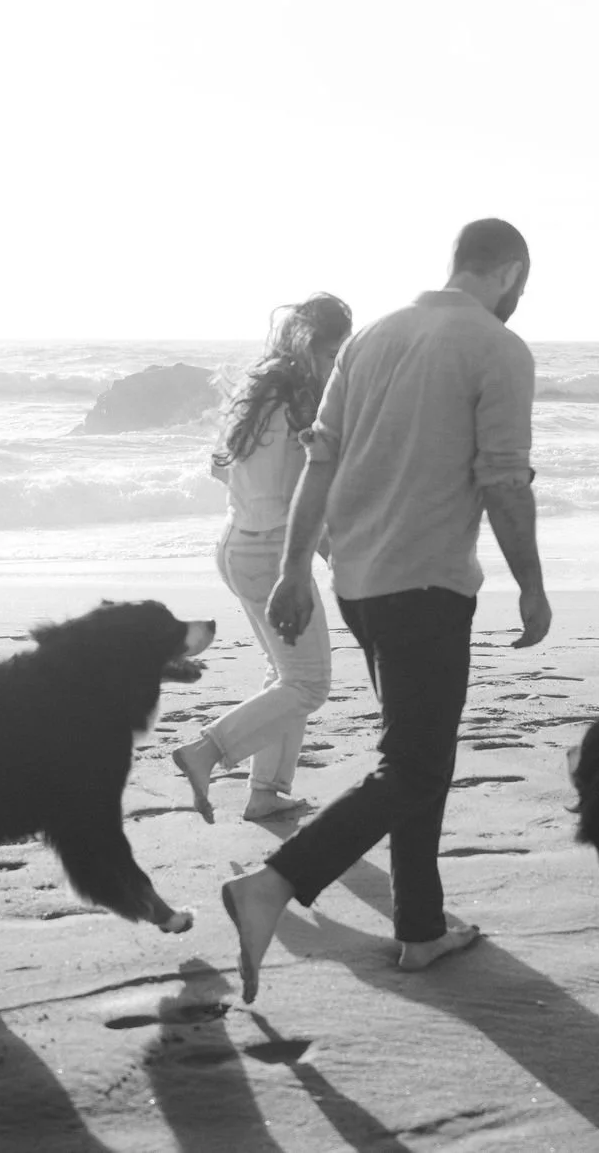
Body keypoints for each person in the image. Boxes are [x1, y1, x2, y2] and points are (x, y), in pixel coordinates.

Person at [219, 218, 550, 1001]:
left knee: (414, 756)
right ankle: (274, 881)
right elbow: (503, 480)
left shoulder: (370, 338)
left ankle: (420, 928)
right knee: (417, 765)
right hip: (427, 583)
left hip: (359, 582)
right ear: (508, 272)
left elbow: (320, 461)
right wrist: (532, 584)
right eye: (523, 285)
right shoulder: (499, 349)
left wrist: (298, 567)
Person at [174, 293, 354, 824]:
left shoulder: (257, 389)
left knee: (286, 676)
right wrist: (334, 556)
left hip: (235, 545)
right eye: (331, 353)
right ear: (307, 346)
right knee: (307, 684)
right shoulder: (304, 400)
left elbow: (221, 469)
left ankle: (267, 792)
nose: (336, 364)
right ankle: (206, 752)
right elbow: (309, 492)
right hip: (271, 554)